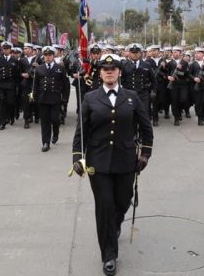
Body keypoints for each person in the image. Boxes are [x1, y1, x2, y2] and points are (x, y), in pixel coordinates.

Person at [72, 53, 153, 276]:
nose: (109, 72)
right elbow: (81, 131)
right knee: (105, 206)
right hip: (98, 163)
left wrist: (145, 154)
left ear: (119, 72)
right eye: (105, 69)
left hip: (126, 161)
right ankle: (109, 255)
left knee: (123, 201)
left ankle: (116, 224)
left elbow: (146, 129)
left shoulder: (132, 97)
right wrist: (77, 156)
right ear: (99, 73)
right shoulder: (90, 98)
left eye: (113, 68)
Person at [34, 46, 69, 152]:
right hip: (43, 98)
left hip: (55, 98)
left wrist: (65, 98)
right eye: (46, 55)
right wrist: (35, 97)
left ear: (53, 56)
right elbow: (36, 85)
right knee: (44, 121)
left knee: (55, 119)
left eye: (50, 55)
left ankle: (56, 131)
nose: (48, 57)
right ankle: (45, 142)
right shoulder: (39, 68)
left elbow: (66, 85)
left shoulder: (60, 68)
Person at [0, 41, 20, 130]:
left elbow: (17, 74)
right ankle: (2, 122)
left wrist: (17, 86)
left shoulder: (14, 60)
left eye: (7, 49)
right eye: (4, 49)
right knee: (1, 103)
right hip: (1, 85)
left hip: (11, 84)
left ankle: (11, 116)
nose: (5, 50)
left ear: (10, 50)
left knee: (10, 102)